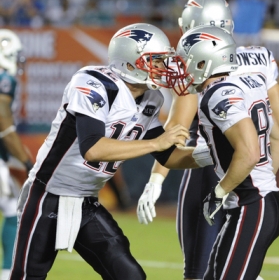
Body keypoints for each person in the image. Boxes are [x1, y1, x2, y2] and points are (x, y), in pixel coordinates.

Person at [8, 23, 203, 280]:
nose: (164, 68)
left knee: (130, 276)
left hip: (87, 202)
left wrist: (212, 154)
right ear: (130, 63)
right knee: (27, 277)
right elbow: (93, 148)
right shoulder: (94, 83)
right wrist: (157, 143)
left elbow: (170, 157)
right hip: (48, 196)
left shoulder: (150, 99)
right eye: (156, 61)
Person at [136, 0, 279, 280]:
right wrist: (261, 178)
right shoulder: (259, 58)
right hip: (254, 181)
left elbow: (176, 134)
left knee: (199, 272)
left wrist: (155, 179)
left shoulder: (204, 70)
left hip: (212, 172)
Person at [173, 25, 279, 279]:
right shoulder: (249, 80)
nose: (183, 69)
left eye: (187, 61)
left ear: (205, 62)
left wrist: (219, 192)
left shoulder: (217, 94)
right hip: (261, 201)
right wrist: (265, 180)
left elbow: (248, 153)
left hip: (251, 206)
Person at [0, 29, 33, 280]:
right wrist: (25, 159)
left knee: (11, 205)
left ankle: (7, 270)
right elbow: (3, 122)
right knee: (12, 207)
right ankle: (7, 271)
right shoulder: (5, 79)